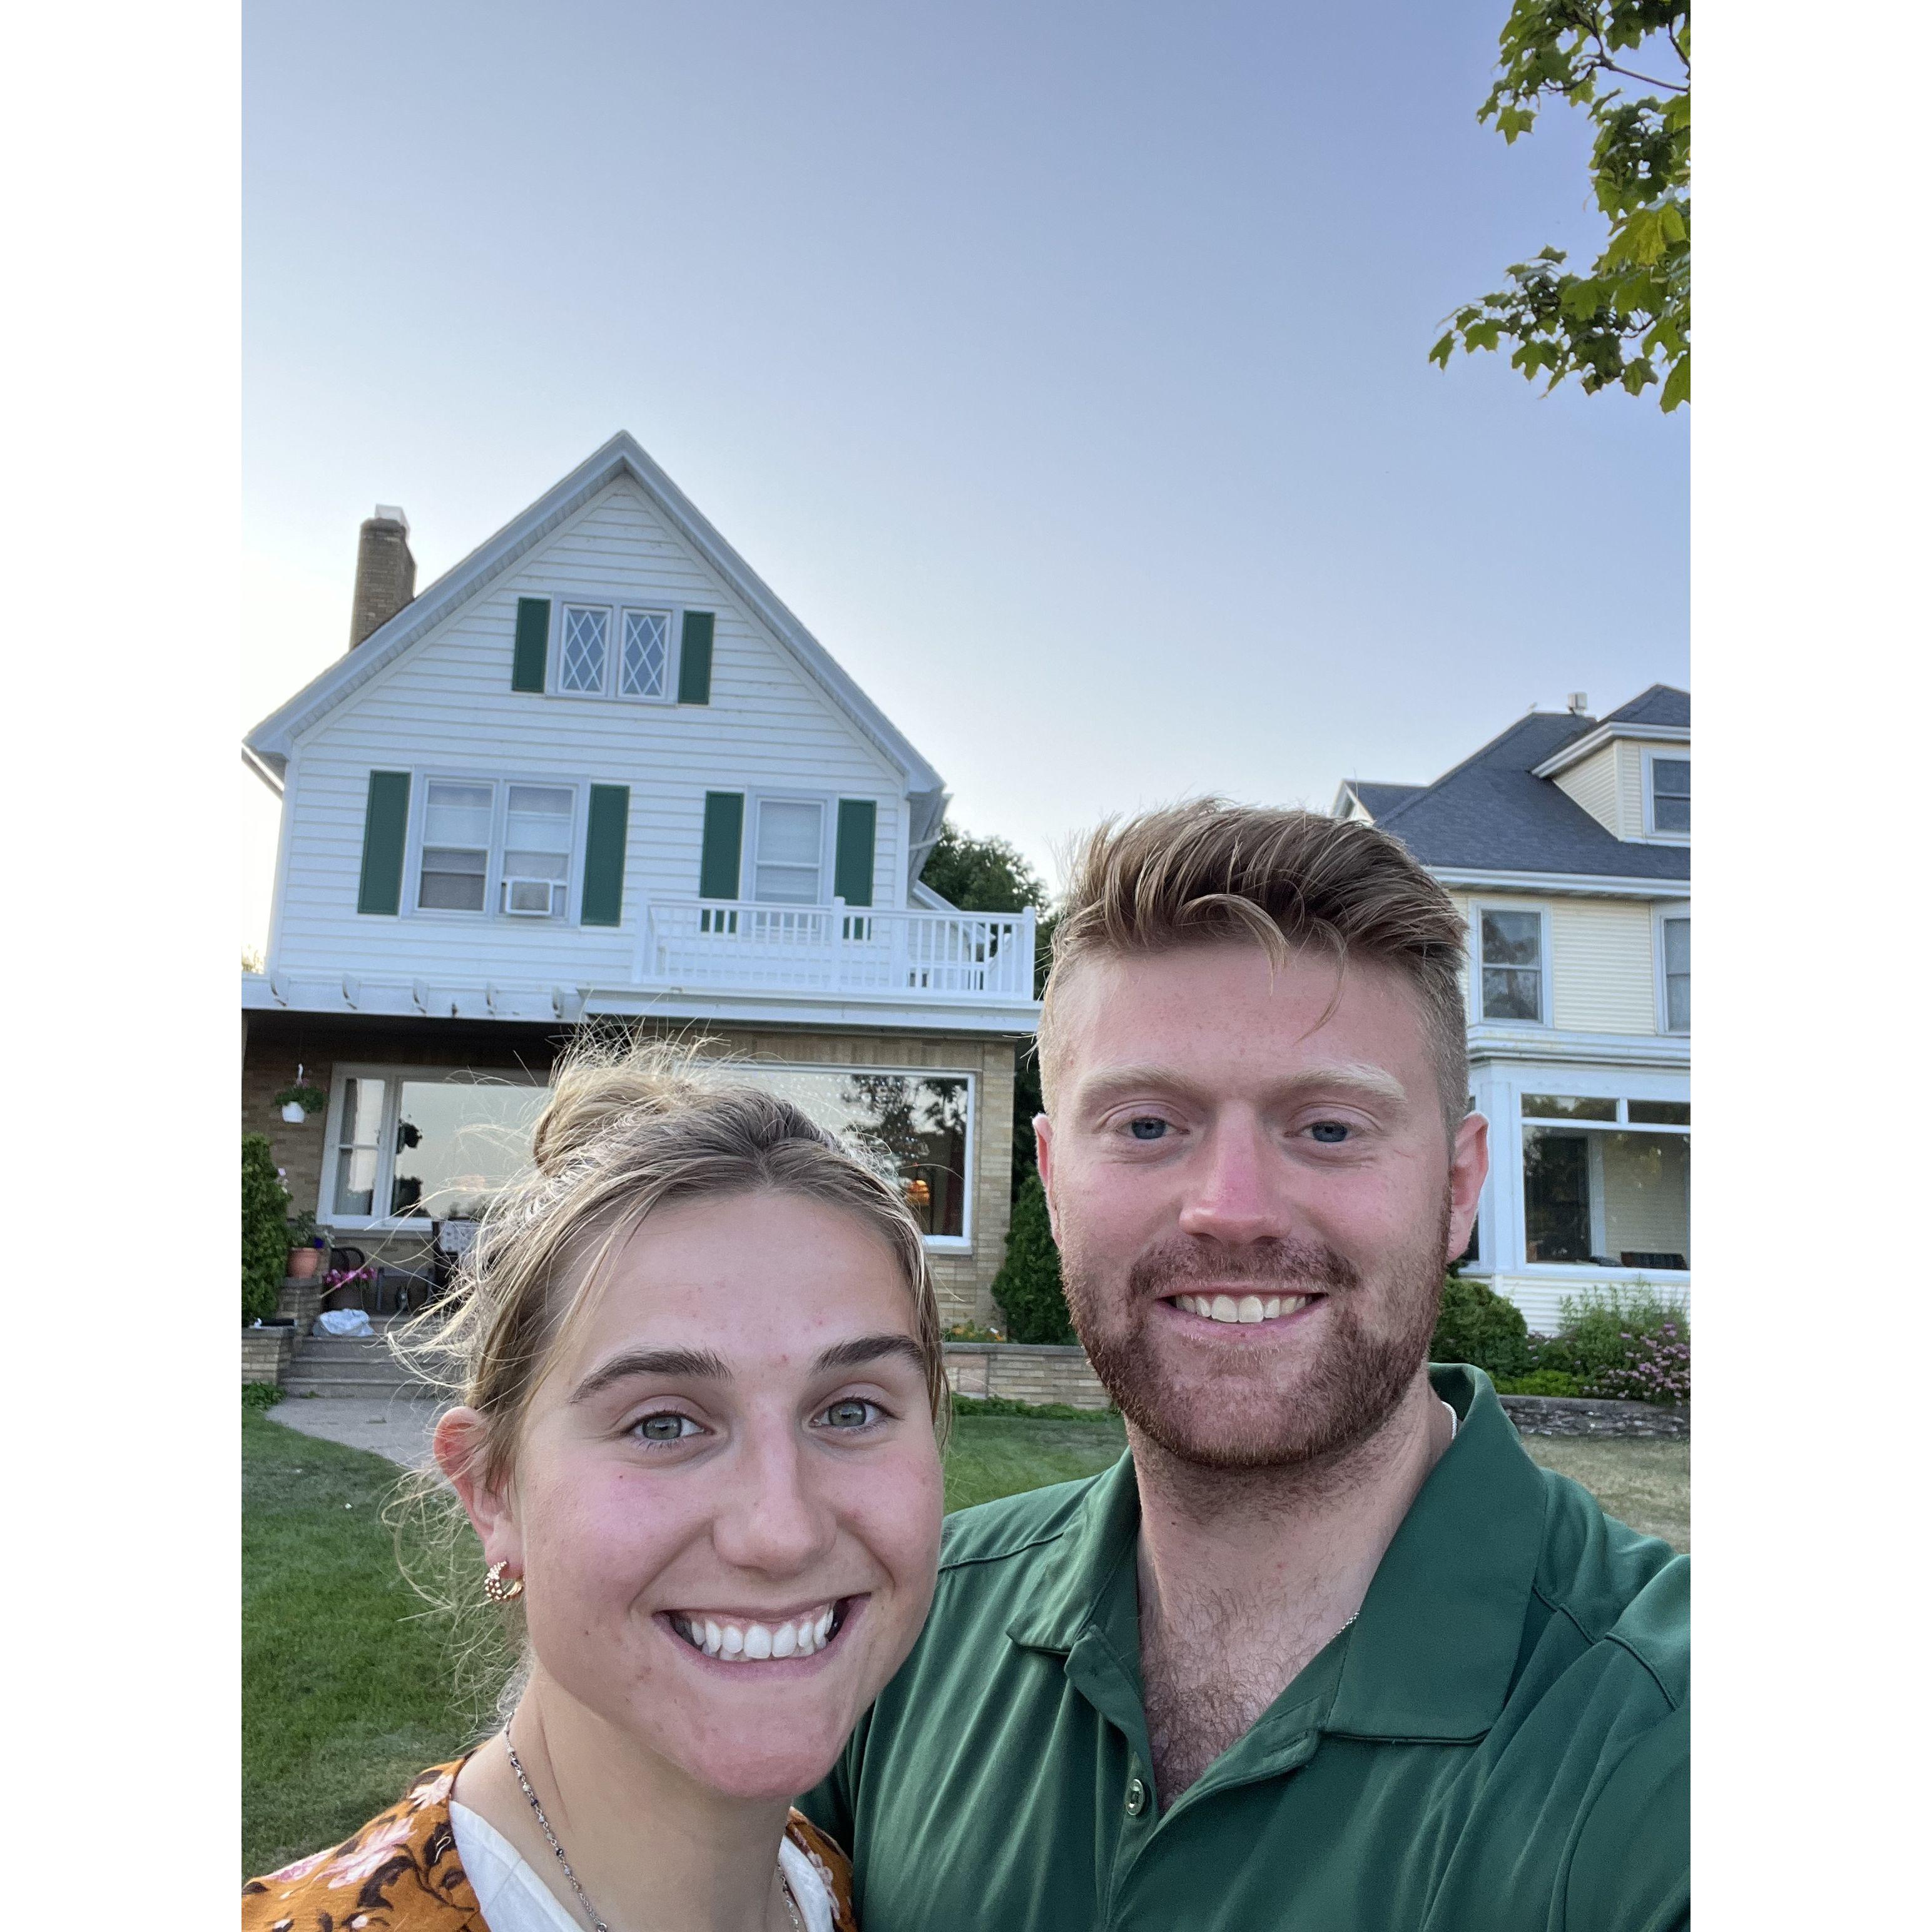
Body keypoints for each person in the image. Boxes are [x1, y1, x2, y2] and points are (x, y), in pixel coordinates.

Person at [803, 801, 1689, 1932]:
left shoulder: (1673, 1739)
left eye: (1328, 1129)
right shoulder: (898, 1625)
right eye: (1144, 1125)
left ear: (1461, 1187)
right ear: (1051, 1177)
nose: (1231, 1210)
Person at [245, 1045, 951, 1932]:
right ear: (493, 1491)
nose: (783, 1531)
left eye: (850, 1411)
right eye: (663, 1424)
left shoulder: (829, 1889)